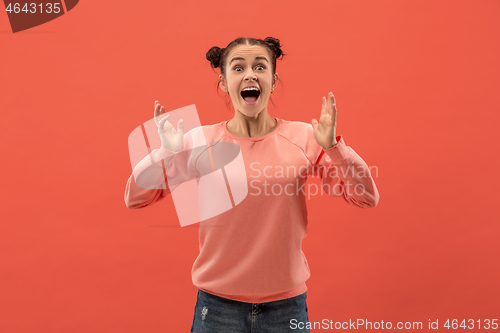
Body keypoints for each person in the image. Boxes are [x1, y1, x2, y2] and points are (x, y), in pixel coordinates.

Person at [124, 36, 380, 333]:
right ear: (223, 83)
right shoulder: (200, 140)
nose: (250, 74)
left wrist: (334, 146)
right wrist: (166, 152)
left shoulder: (306, 138)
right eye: (238, 68)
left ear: (272, 80)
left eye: (260, 67)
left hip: (286, 308)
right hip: (217, 308)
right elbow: (135, 197)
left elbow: (366, 197)